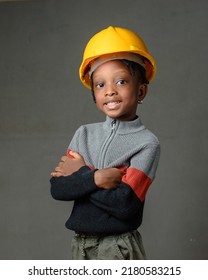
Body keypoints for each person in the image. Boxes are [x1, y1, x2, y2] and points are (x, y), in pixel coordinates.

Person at [50, 26, 160, 260]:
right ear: (94, 95)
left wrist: (80, 174)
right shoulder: (84, 134)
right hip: (81, 245)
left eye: (121, 81)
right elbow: (58, 188)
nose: (110, 91)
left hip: (118, 246)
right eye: (100, 85)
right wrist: (97, 178)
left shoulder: (146, 143)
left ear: (141, 91)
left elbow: (124, 203)